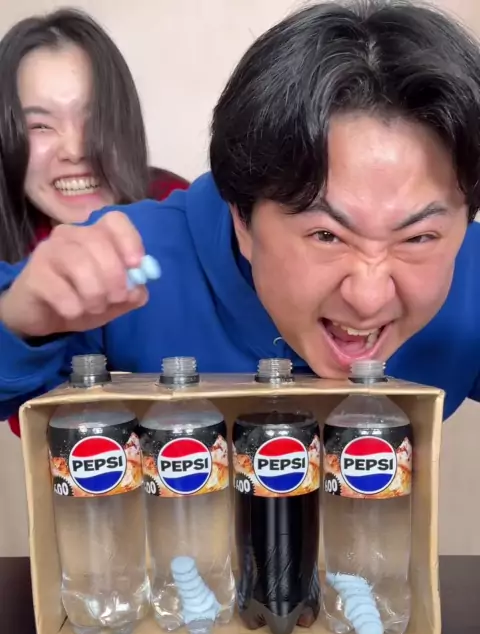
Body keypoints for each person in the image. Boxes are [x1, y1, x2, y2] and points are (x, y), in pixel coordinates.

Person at [0, 0, 479, 421]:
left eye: (418, 238)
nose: (369, 298)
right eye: (327, 235)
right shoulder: (132, 262)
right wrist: (18, 321)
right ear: (242, 219)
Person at [0, 8, 189, 435]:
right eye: (40, 125)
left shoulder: (178, 211)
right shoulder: (12, 264)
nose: (75, 149)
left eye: (93, 119)